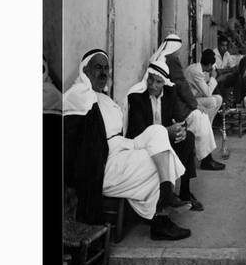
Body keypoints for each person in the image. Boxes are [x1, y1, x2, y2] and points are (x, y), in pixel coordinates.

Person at [64, 49, 191, 241]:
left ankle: (165, 193)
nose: (104, 73)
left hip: (121, 147)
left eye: (106, 68)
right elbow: (76, 146)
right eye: (98, 67)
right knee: (154, 162)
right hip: (102, 163)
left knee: (158, 132)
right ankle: (160, 220)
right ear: (85, 70)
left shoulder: (104, 99)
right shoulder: (77, 97)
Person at [126, 61, 203, 211]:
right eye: (150, 80)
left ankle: (184, 192)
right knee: (175, 143)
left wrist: (181, 130)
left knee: (188, 138)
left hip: (166, 139)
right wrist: (167, 130)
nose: (153, 85)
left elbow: (180, 119)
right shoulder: (137, 98)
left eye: (158, 82)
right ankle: (168, 192)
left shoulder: (170, 93)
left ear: (164, 83)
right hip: (146, 143)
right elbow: (141, 131)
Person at [153, 34, 225, 171]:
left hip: (171, 102)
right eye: (178, 49)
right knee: (201, 118)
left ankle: (206, 157)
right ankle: (206, 160)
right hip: (173, 105)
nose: (179, 52)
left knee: (202, 116)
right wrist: (195, 105)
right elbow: (181, 86)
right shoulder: (171, 60)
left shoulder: (162, 58)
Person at [184, 49, 223, 124]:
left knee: (219, 98)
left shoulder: (197, 68)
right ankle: (205, 125)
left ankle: (209, 124)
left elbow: (204, 89)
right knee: (212, 101)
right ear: (209, 65)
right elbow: (207, 93)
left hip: (195, 96)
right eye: (212, 65)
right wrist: (213, 77)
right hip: (189, 101)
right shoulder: (196, 71)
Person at [213, 36, 239, 104]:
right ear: (218, 45)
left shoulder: (227, 54)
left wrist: (228, 70)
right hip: (214, 77)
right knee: (222, 81)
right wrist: (229, 70)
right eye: (222, 45)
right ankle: (224, 101)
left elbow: (234, 68)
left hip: (224, 76)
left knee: (238, 77)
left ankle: (234, 101)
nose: (225, 47)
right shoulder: (214, 53)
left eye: (226, 45)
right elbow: (217, 71)